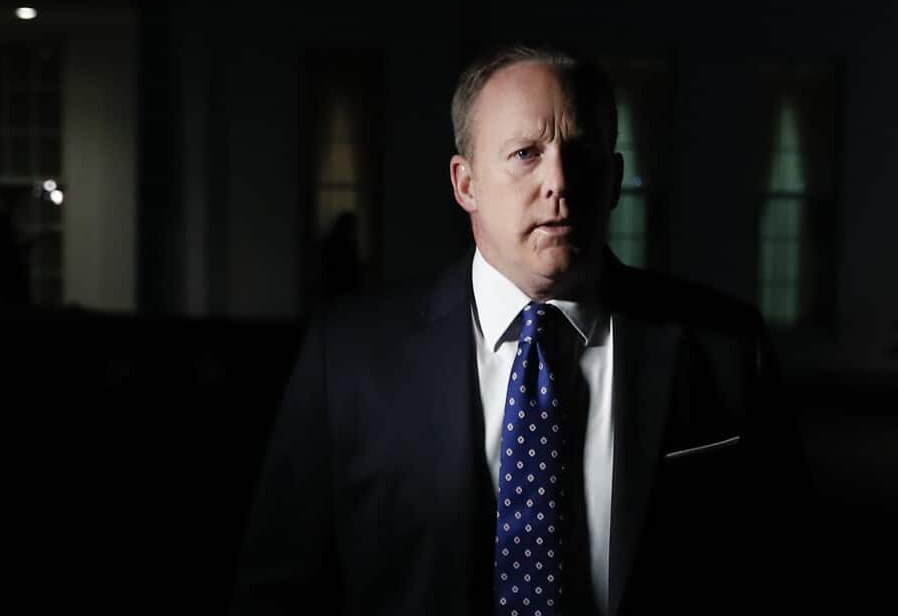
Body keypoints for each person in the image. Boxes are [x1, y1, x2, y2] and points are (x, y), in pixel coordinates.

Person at [232, 45, 821, 616]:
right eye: (525, 154)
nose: (558, 183)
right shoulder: (352, 354)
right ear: (466, 184)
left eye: (581, 152)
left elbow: (784, 572)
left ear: (613, 180)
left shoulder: (727, 348)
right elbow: (282, 589)